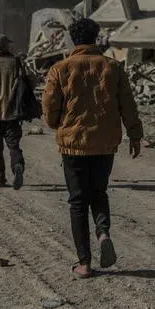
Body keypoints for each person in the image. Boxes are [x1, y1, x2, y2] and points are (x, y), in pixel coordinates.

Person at [42, 18, 143, 279]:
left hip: (73, 145)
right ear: (96, 38)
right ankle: (103, 232)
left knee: (78, 201)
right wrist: (134, 134)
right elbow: (128, 104)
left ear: (73, 40)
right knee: (99, 192)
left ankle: (84, 263)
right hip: (105, 143)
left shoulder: (59, 69)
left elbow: (50, 108)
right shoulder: (113, 67)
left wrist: (58, 125)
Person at [0, 35, 26, 190]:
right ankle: (17, 166)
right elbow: (27, 80)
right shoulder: (15, 62)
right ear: (6, 46)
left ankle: (0, 180)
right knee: (14, 146)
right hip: (12, 113)